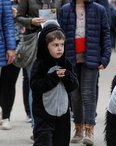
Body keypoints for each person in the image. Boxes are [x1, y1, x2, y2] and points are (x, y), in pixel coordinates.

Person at [58, 0, 111, 146]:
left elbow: (106, 34)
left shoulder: (99, 10)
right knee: (74, 95)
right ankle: (78, 127)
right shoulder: (65, 10)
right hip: (71, 58)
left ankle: (89, 130)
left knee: (88, 94)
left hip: (91, 57)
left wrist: (105, 57)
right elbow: (59, 34)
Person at [15, 0, 69, 135]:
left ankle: (54, 122)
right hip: (34, 41)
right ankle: (36, 125)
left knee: (56, 80)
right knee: (35, 83)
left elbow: (67, 13)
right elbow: (18, 17)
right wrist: (32, 21)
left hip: (55, 42)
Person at [30, 20, 78, 146]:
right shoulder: (39, 64)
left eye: (62, 45)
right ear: (45, 46)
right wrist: (53, 78)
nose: (59, 48)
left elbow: (74, 85)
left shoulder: (66, 63)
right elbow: (35, 86)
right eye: (55, 45)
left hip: (63, 115)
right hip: (43, 115)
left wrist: (67, 76)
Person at [0, 0, 19, 130]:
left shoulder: (4, 2)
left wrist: (11, 47)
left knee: (8, 81)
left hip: (6, 44)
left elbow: (7, 23)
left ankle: (6, 116)